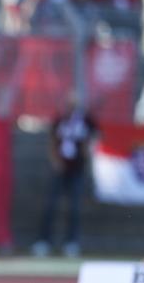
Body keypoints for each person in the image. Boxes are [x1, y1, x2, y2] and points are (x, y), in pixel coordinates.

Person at [31, 96, 97, 258]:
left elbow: (95, 136)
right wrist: (55, 160)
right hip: (60, 168)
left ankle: (71, 242)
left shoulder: (85, 120)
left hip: (77, 169)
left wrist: (87, 151)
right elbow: (53, 140)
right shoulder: (60, 119)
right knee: (50, 205)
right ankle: (44, 241)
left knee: (74, 207)